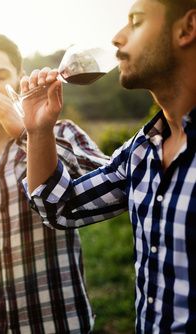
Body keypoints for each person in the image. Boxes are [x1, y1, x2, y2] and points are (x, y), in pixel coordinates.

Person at [21, 0, 196, 332]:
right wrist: (39, 131)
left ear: (187, 28)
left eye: (136, 21)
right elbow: (61, 207)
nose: (117, 37)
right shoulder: (141, 153)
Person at [0, 33, 109, 333]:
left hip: (58, 322)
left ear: (20, 79)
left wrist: (25, 132)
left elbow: (112, 181)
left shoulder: (61, 133)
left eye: (0, 75)